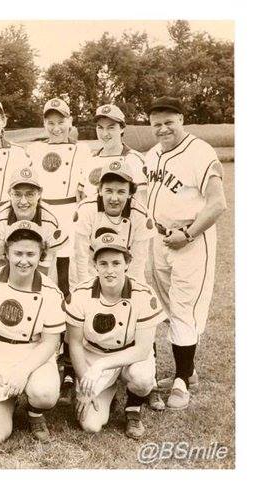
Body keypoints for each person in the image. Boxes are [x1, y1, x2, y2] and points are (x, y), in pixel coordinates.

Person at [144, 96, 226, 409]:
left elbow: (217, 203)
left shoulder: (200, 151)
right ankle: (186, 371)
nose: (163, 129)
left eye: (169, 122)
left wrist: (189, 233)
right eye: (156, 124)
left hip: (190, 239)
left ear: (181, 120)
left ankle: (180, 382)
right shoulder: (152, 154)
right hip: (160, 239)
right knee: (163, 306)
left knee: (183, 308)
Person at [0, 220, 65, 443]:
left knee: (44, 393)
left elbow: (50, 342)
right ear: (7, 253)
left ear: (41, 255)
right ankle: (7, 400)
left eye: (31, 254)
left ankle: (35, 412)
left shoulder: (51, 291)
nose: (24, 260)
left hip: (33, 352)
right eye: (18, 253)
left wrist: (22, 371)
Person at [65, 233, 165, 438]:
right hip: (94, 355)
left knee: (143, 378)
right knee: (91, 425)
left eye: (116, 263)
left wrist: (101, 367)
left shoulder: (144, 294)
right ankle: (107, 394)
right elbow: (74, 344)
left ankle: (133, 409)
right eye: (103, 263)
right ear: (95, 266)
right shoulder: (80, 293)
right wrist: (85, 380)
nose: (110, 270)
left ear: (127, 263)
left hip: (130, 356)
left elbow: (142, 349)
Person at [26, 98, 93, 297]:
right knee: (43, 262)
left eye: (61, 122)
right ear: (44, 124)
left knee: (69, 263)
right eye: (51, 123)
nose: (56, 128)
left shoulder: (82, 150)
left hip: (70, 212)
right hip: (43, 210)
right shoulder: (35, 150)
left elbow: (87, 181)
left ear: (70, 121)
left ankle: (69, 303)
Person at [74, 159, 153, 284]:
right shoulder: (86, 209)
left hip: (125, 272)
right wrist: (85, 288)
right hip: (92, 270)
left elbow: (138, 261)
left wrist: (129, 289)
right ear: (100, 190)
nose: (114, 198)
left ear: (130, 193)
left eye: (121, 192)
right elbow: (80, 256)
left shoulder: (141, 215)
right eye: (109, 191)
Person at [0, 166, 67, 281]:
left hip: (41, 276)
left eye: (30, 194)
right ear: (9, 193)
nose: (23, 201)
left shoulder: (51, 222)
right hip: (5, 275)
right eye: (17, 194)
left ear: (39, 193)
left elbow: (43, 271)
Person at [80, 104, 147, 205]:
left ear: (122, 128)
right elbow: (83, 198)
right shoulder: (89, 160)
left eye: (111, 128)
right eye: (100, 128)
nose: (105, 134)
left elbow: (142, 203)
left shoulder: (134, 159)